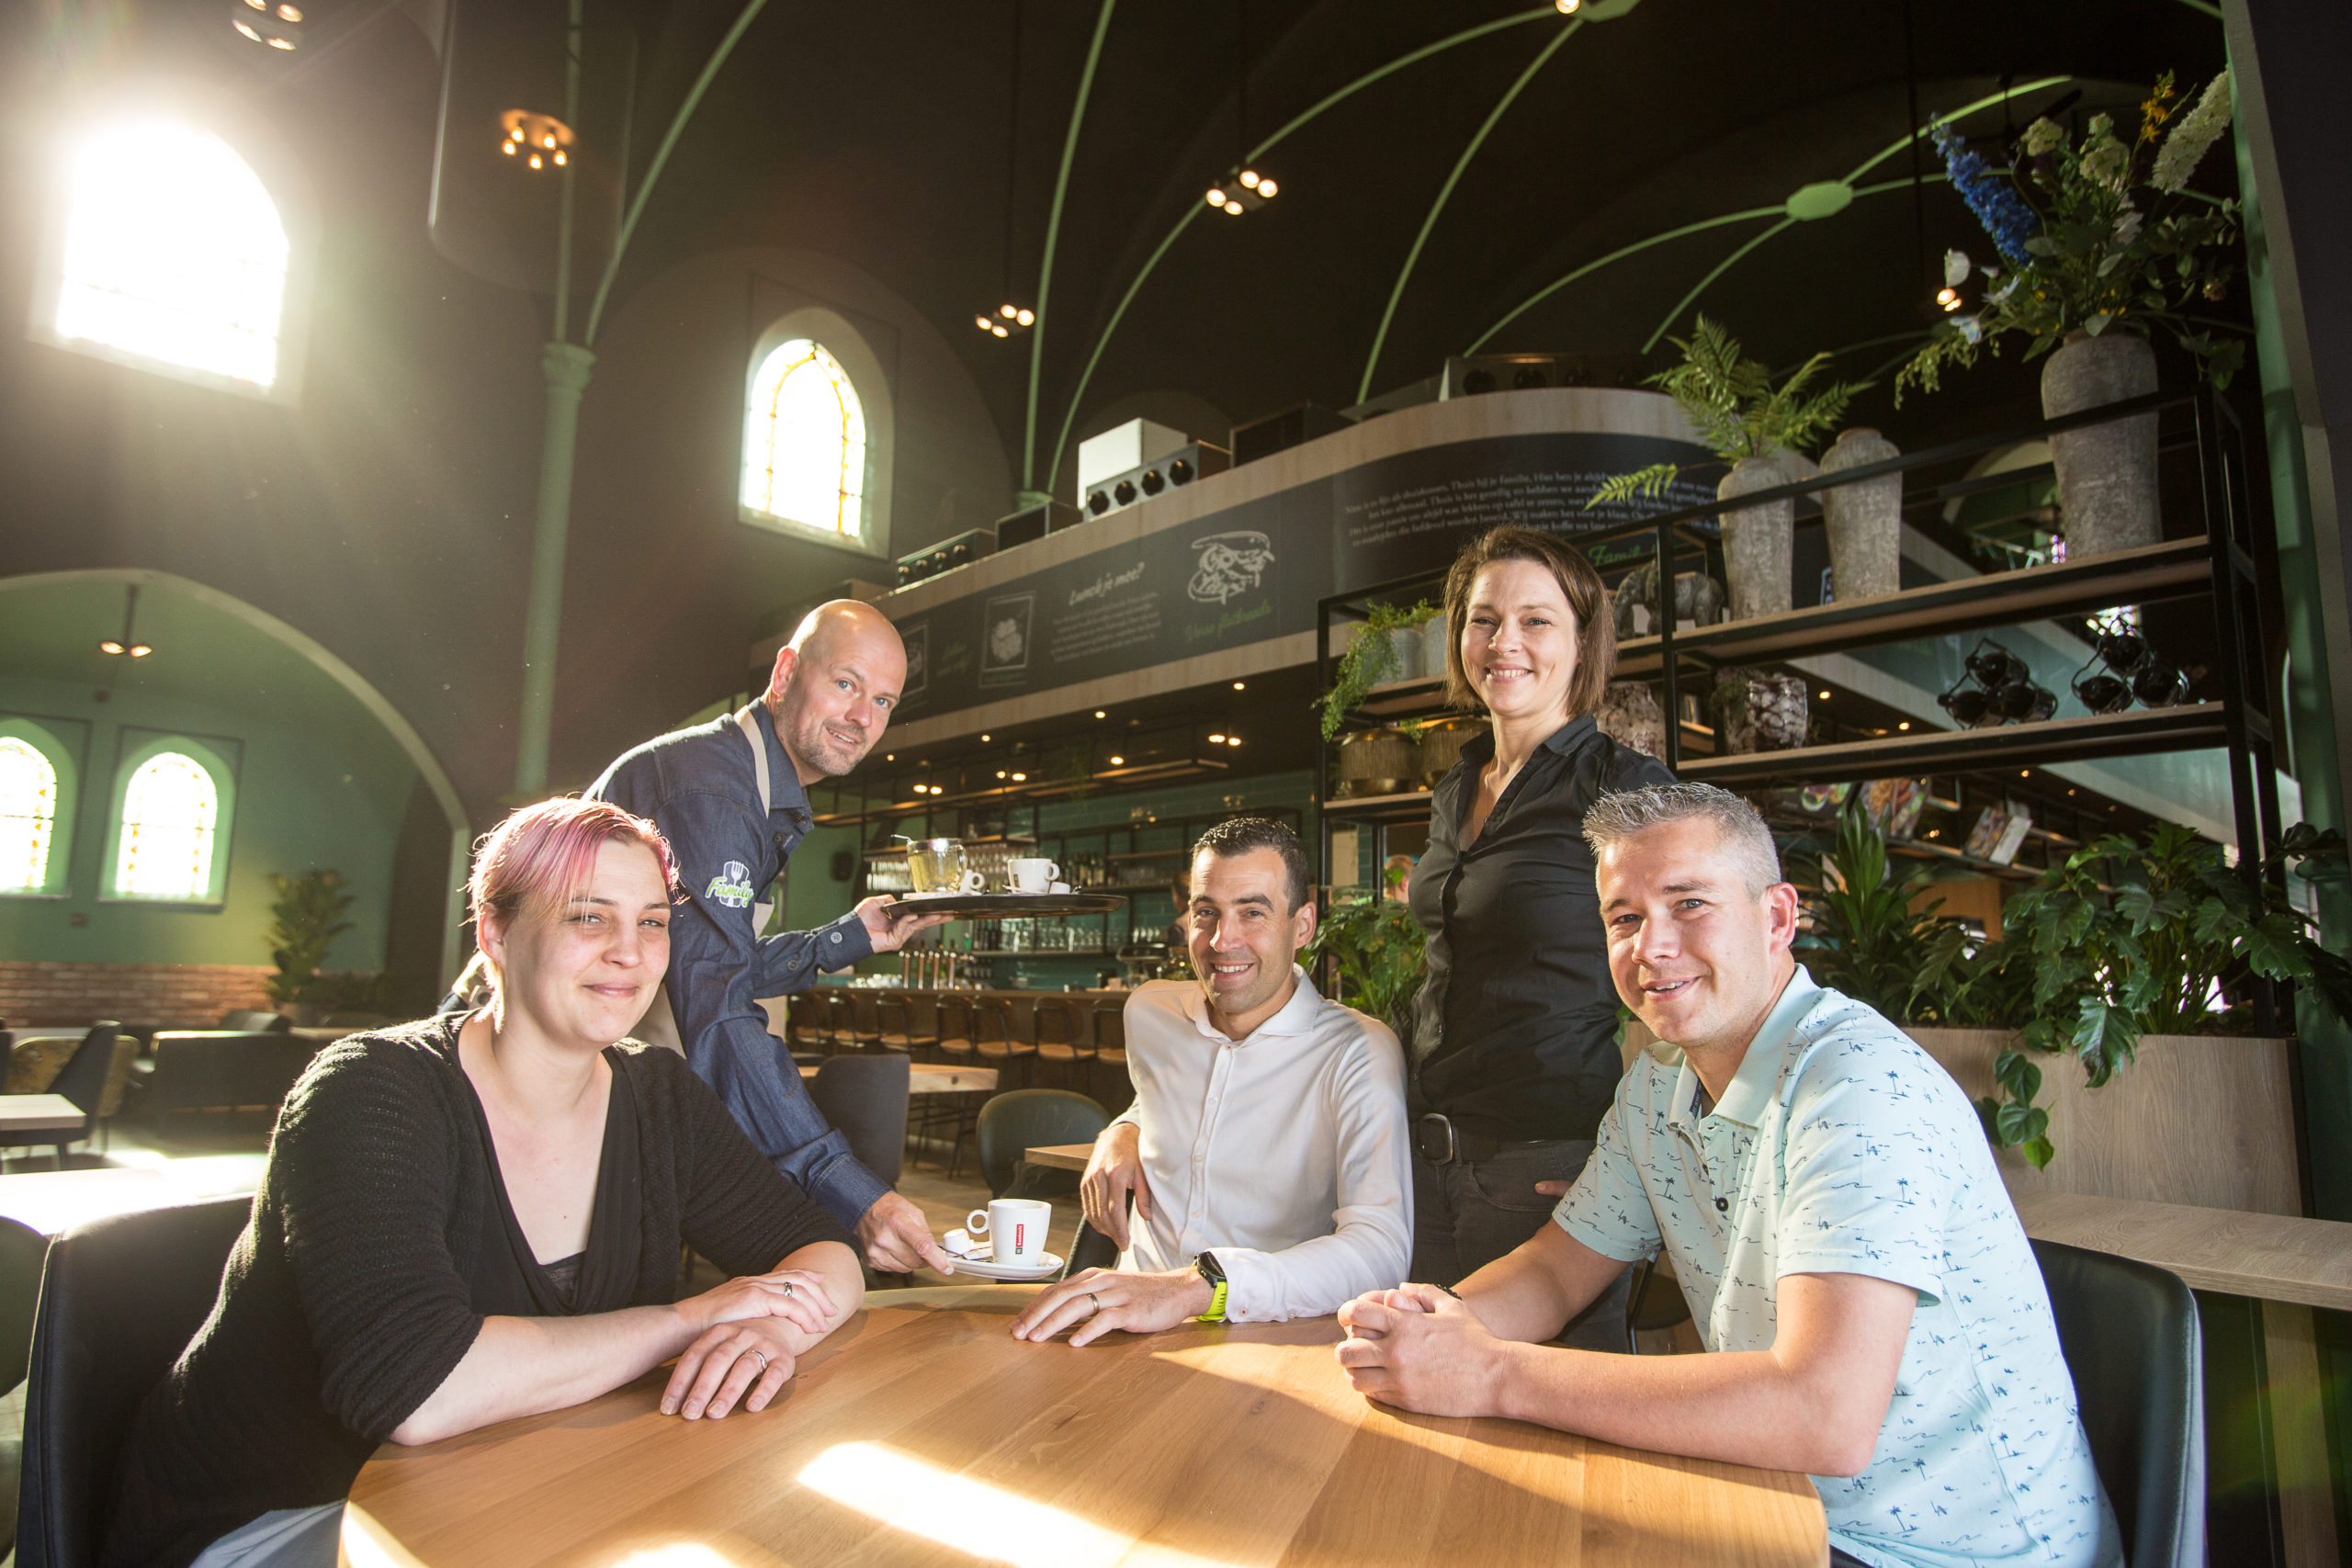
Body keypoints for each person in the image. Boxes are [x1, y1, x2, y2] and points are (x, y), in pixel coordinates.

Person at [1334, 783, 2121, 1568]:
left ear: (1776, 917)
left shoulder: (1856, 1084)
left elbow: (1824, 1413)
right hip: (1774, 1504)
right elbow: (1554, 1270)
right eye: (1624, 918)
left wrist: (1493, 1372)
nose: (1651, 946)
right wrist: (1429, 1323)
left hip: (1942, 1551)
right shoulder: (1657, 1084)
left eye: (1689, 904)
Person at [105, 798, 865, 1568]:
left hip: (512, 1486)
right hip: (279, 1516)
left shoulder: (659, 1094)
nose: (630, 953)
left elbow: (824, 1249)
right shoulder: (370, 1091)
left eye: (652, 922)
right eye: (589, 917)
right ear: (495, 933)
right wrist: (689, 1319)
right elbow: (418, 1392)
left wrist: (772, 1327)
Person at [588, 599, 952, 1274]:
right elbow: (717, 1006)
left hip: (612, 1079)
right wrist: (847, 1186)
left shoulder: (750, 784)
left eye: (883, 701)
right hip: (537, 1086)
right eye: (845, 683)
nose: (862, 717)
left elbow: (716, 963)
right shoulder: (712, 794)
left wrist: (851, 937)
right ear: (785, 673)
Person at [1402, 525, 1673, 1344]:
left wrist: (1647, 1168)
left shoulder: (1625, 789)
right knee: (1420, 1397)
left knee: (1553, 1417)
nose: (1504, 642)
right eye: (1483, 620)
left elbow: (1694, 972)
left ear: (1583, 641)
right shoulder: (1456, 787)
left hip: (1544, 1172)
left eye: (1536, 620)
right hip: (1424, 1165)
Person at [1012, 818, 1411, 1346]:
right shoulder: (1150, 1013)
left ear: (1303, 925)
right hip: (1115, 1331)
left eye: (1253, 912)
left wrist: (1198, 1288)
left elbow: (1381, 1252)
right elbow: (1169, 1098)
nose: (1223, 940)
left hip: (1258, 1340)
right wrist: (1124, 1128)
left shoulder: (1357, 1052)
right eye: (1206, 913)